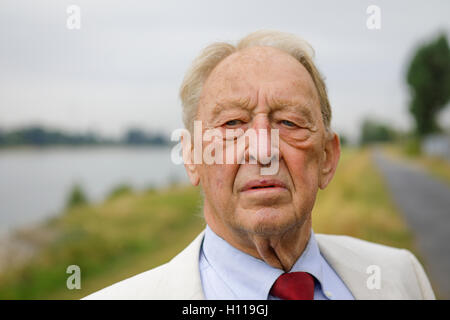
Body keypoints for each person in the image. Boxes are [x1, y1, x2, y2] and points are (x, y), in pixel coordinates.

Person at [83, 30, 435, 300]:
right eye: (233, 124)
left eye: (290, 123)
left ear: (327, 158)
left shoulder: (401, 276)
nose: (263, 150)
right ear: (191, 158)